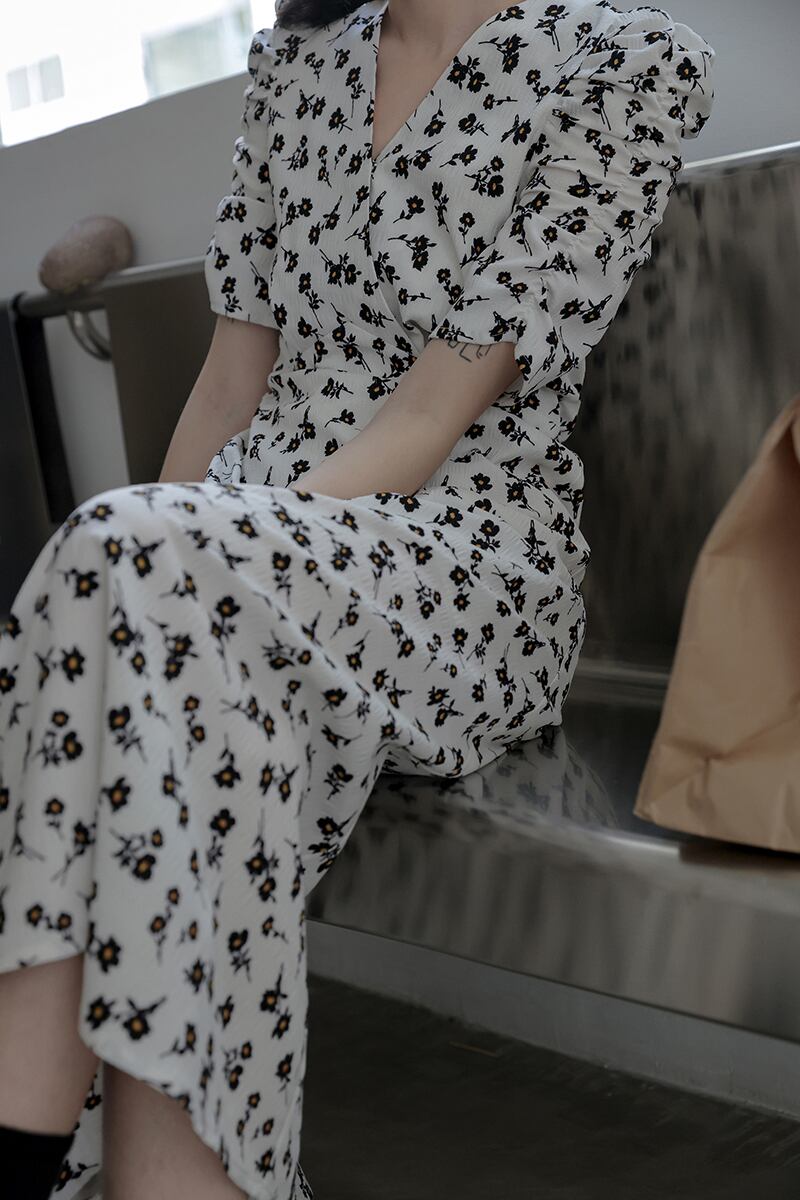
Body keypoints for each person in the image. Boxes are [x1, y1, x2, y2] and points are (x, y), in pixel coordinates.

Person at [0, 1, 715, 1197]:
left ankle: (22, 1129)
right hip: (245, 552)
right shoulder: (296, 67)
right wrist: (165, 563)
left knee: (146, 580)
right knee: (136, 622)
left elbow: (428, 419)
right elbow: (229, 385)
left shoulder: (623, 62)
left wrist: (200, 556)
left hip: (457, 568)